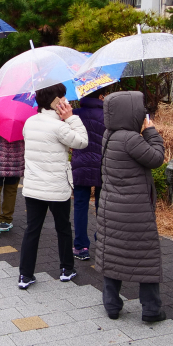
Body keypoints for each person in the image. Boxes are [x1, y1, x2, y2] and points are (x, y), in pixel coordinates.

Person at [95, 91, 166, 322]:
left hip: (111, 208)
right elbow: (156, 158)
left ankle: (112, 305)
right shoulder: (131, 139)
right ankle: (151, 309)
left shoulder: (110, 134)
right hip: (135, 211)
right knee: (145, 255)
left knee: (113, 254)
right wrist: (151, 131)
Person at [18, 84, 88, 290]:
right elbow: (82, 142)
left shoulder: (29, 122)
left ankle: (25, 274)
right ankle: (66, 269)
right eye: (63, 98)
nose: (66, 102)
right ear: (56, 102)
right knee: (63, 228)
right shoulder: (59, 126)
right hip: (56, 187)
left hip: (33, 186)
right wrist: (71, 117)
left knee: (32, 230)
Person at [71, 89, 106, 260]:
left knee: (80, 206)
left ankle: (81, 246)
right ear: (101, 96)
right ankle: (103, 240)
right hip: (103, 166)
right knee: (103, 206)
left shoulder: (75, 115)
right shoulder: (108, 115)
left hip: (80, 165)